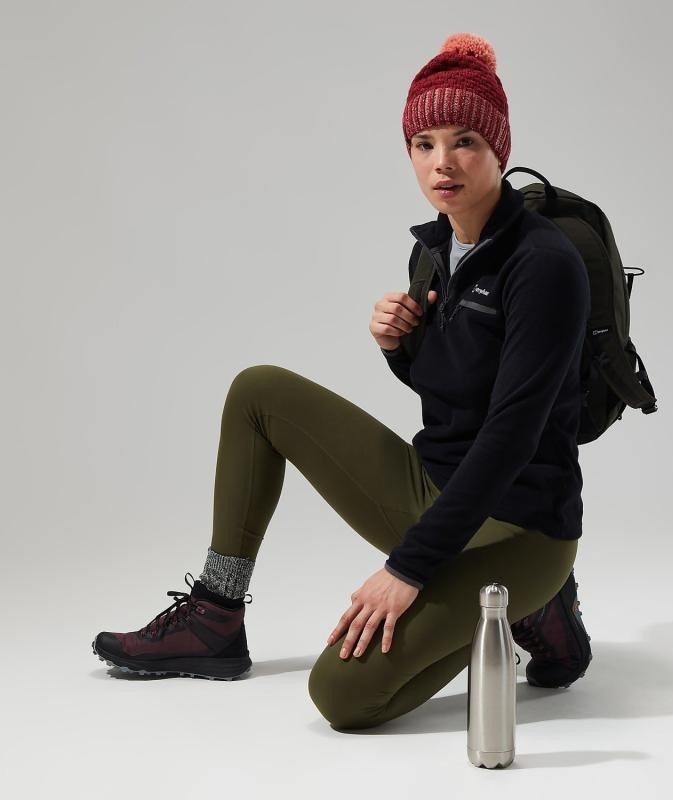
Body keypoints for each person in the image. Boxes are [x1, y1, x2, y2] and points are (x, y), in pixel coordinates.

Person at [91, 32, 592, 731]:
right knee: (259, 391)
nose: (442, 163)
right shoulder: (436, 247)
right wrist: (400, 348)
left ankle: (535, 600)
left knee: (343, 697)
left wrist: (408, 569)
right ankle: (215, 614)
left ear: (499, 148)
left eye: (465, 141)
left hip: (519, 528)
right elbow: (456, 395)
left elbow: (510, 436)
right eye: (423, 143)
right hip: (436, 487)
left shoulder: (545, 266)